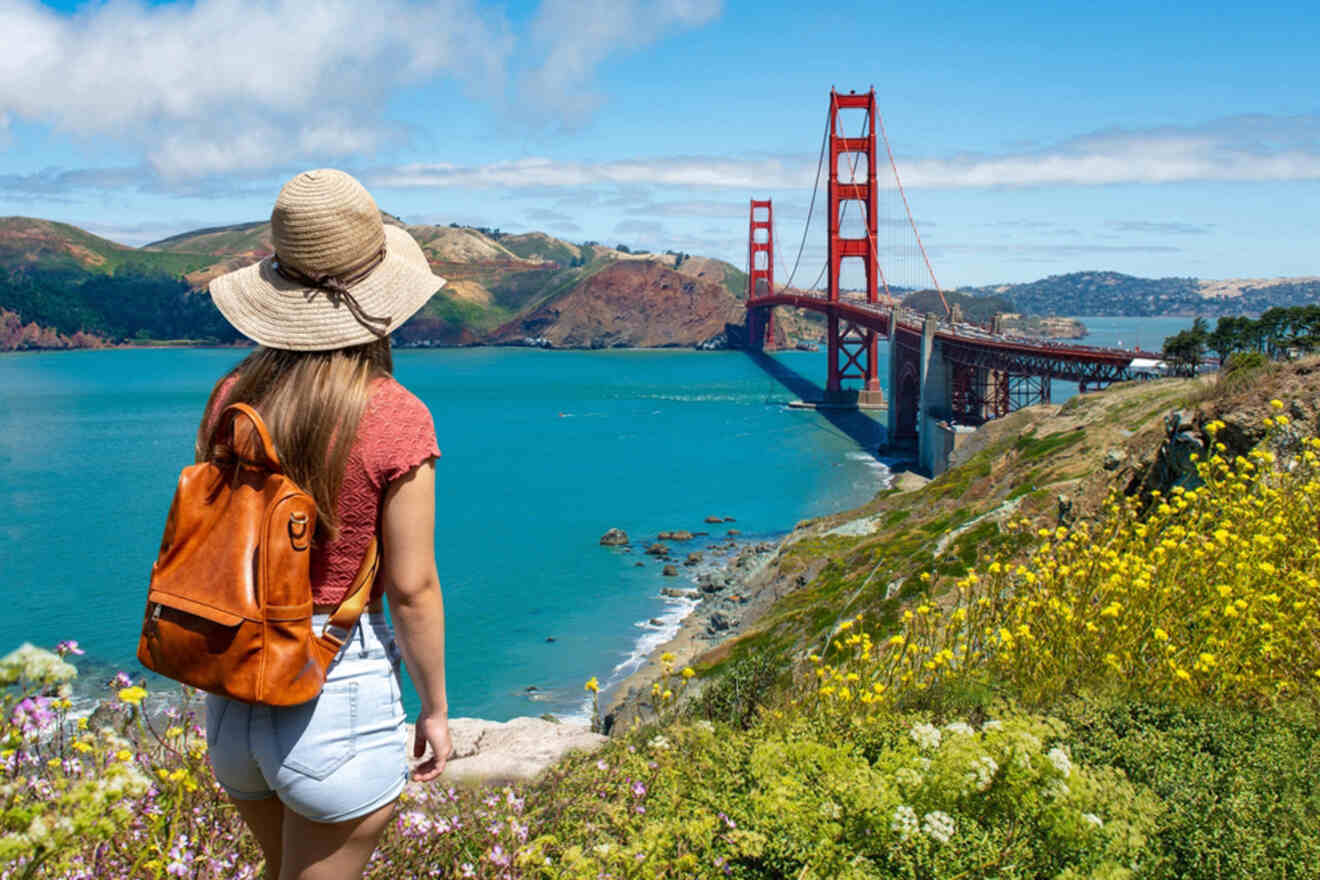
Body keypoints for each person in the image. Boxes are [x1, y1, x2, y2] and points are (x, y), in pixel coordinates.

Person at [198, 169, 453, 879]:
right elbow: (412, 588)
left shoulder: (233, 395)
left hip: (232, 690)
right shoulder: (396, 414)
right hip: (332, 689)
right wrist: (434, 709)